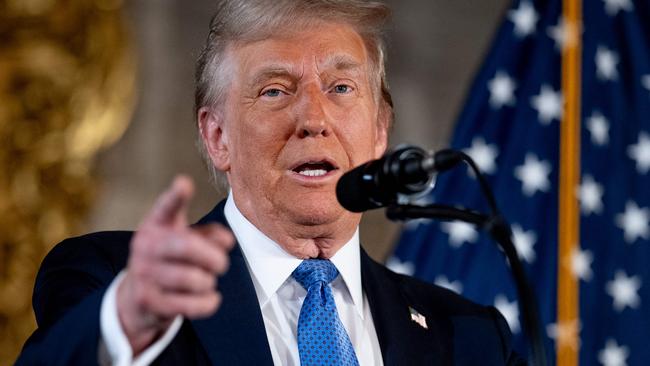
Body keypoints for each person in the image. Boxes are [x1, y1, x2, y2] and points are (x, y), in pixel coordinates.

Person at [17, 1, 524, 365]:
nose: (313, 118)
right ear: (217, 137)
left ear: (379, 134)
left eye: (341, 87)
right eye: (275, 90)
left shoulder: (470, 338)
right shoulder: (109, 280)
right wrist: (124, 322)